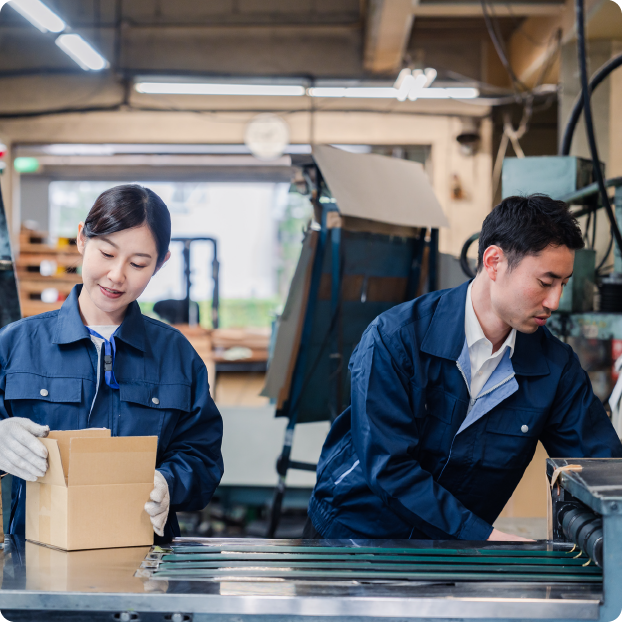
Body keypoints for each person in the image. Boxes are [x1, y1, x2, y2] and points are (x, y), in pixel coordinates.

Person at [305, 194, 622, 541]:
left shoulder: (555, 367)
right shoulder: (395, 340)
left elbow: (601, 467)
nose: (554, 301)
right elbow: (390, 469)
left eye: (563, 284)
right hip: (352, 537)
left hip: (452, 553)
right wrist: (487, 538)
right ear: (494, 262)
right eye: (545, 283)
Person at [0, 184, 224, 542]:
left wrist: (169, 480)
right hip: (37, 556)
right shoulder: (16, 345)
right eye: (107, 253)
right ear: (82, 240)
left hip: (144, 558)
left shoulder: (176, 355)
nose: (117, 275)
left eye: (137, 264)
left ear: (160, 264)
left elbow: (202, 455)